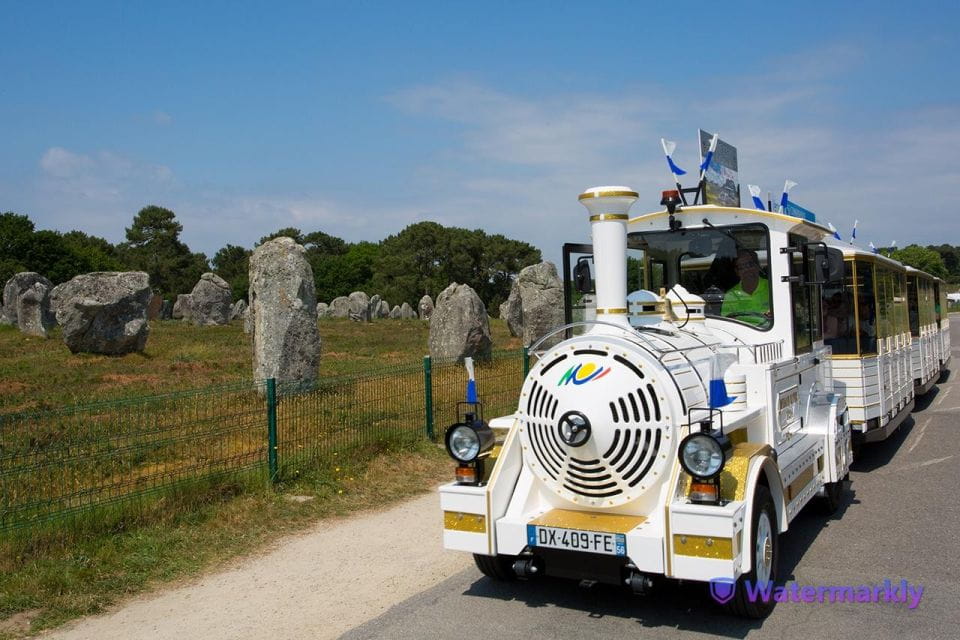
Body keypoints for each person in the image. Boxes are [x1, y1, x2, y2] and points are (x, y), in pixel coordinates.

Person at [721, 249, 771, 326]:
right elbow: (726, 323)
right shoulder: (731, 295)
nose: (747, 270)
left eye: (750, 265)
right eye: (741, 267)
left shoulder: (772, 288)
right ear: (737, 272)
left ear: (758, 266)